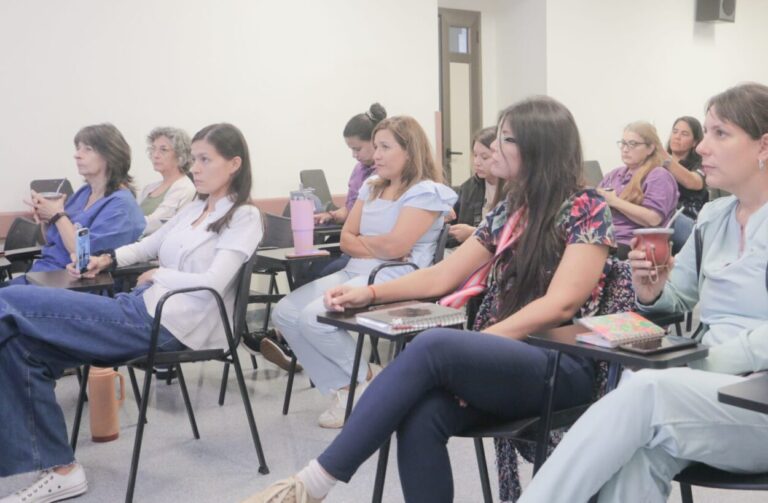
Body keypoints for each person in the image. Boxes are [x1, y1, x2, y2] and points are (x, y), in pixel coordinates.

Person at [243, 95, 623, 502]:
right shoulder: (512, 208)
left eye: (505, 139)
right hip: (510, 358)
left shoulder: (587, 207)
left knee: (435, 343)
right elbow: (444, 274)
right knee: (421, 416)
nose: (493, 147)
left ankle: (314, 483)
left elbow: (561, 304)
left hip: (560, 363)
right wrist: (369, 293)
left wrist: (484, 341)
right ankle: (313, 484)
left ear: (538, 148)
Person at [518, 82, 768, 503]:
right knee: (637, 453)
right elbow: (678, 300)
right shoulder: (713, 216)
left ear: (764, 145)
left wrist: (699, 364)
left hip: (755, 400)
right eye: (704, 133)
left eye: (719, 133)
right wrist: (650, 291)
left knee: (646, 389)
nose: (703, 147)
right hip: (710, 394)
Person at [0, 123, 262, 503]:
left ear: (235, 164)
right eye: (196, 160)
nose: (197, 168)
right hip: (141, 309)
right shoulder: (194, 207)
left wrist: (160, 273)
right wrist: (106, 258)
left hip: (172, 325)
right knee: (19, 346)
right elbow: (146, 245)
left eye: (206, 160)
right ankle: (61, 469)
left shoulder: (244, 217)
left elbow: (214, 280)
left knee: (7, 303)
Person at [270, 115, 457, 429]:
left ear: (410, 152)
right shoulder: (372, 187)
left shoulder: (428, 192)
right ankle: (359, 383)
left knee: (314, 318)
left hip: (397, 276)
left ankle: (357, 389)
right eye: (377, 146)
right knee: (285, 312)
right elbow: (346, 239)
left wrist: (374, 243)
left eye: (385, 147)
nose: (377, 154)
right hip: (357, 271)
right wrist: (381, 245)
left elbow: (397, 247)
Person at [251, 104, 389, 368]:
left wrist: (348, 224)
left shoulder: (383, 176)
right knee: (306, 269)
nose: (354, 155)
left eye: (358, 148)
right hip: (351, 241)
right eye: (350, 149)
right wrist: (332, 214)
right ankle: (290, 337)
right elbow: (351, 208)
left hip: (365, 252)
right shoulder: (360, 171)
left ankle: (289, 339)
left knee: (319, 274)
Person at [14, 124, 145, 283]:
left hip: (75, 283)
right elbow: (51, 241)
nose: (77, 155)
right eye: (78, 148)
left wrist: (57, 215)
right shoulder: (84, 192)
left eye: (87, 149)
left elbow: (85, 258)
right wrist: (45, 219)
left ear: (110, 156)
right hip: (44, 273)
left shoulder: (121, 205)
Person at [597, 121, 679, 258]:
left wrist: (614, 201)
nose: (625, 149)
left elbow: (653, 219)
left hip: (633, 246)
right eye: (623, 143)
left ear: (650, 148)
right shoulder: (614, 175)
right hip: (607, 240)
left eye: (633, 144)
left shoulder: (658, 175)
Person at [446, 126, 500, 248]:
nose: (477, 162)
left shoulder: (516, 191)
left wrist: (473, 233)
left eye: (484, 157)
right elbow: (453, 228)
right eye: (475, 155)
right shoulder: (469, 188)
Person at [137, 126, 197, 235]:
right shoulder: (149, 187)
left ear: (180, 155)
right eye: (153, 149)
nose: (155, 155)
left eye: (163, 150)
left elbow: (155, 224)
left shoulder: (184, 188)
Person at [661, 116, 708, 218]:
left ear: (695, 142)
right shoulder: (658, 165)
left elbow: (693, 182)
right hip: (661, 215)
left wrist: (662, 155)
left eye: (684, 134)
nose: (677, 136)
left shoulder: (702, 163)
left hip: (689, 219)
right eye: (675, 132)